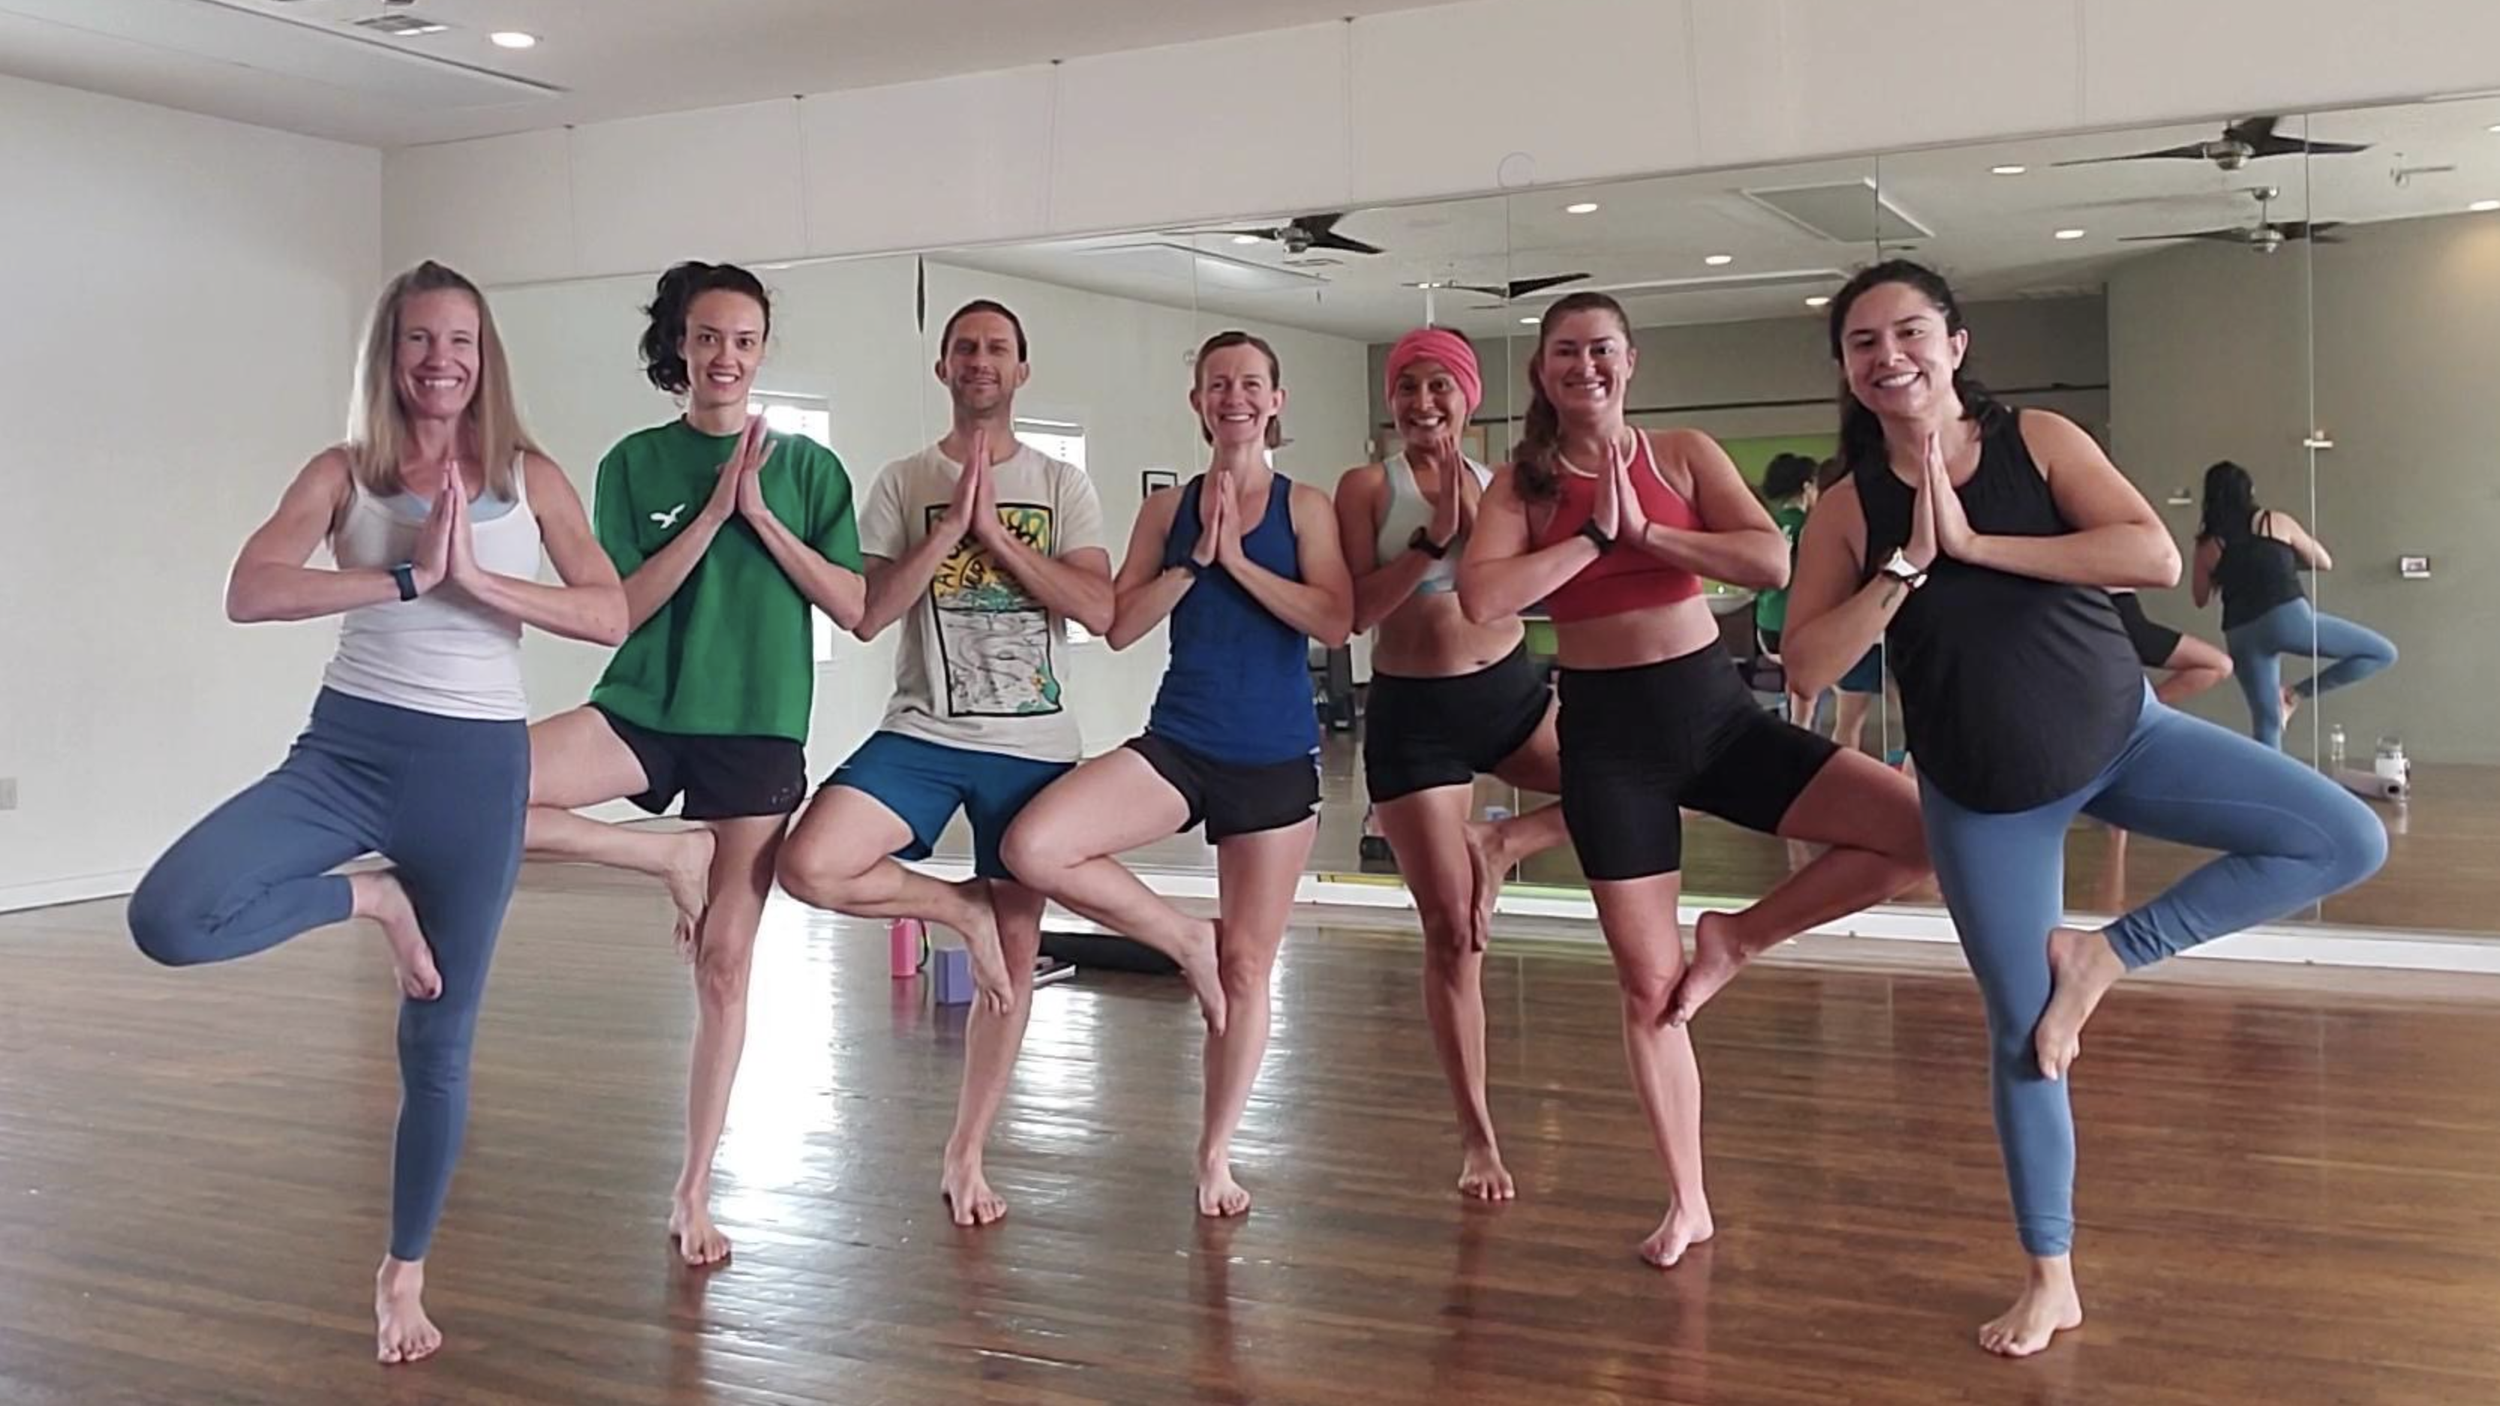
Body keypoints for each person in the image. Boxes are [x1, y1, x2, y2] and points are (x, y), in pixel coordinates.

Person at [1784, 259, 2387, 1357]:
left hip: (2124, 737)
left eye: (1909, 331)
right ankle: (2049, 1273)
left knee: (2342, 834)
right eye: (1862, 342)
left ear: (1955, 344)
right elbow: (1806, 666)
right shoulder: (1844, 509)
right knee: (2023, 1039)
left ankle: (2106, 954)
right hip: (1983, 797)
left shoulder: (2039, 441)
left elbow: (2150, 555)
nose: (1889, 357)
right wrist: (1910, 568)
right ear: (1845, 367)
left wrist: (1975, 544)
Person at [126, 261, 628, 1363]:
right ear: (387, 355)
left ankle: (403, 1272)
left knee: (436, 1045)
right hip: (347, 750)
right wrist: (405, 576)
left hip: (474, 772)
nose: (439, 359)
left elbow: (608, 613)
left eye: (459, 340)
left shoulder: (530, 477)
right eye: (416, 339)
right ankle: (370, 897)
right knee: (170, 915)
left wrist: (481, 585)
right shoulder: (343, 472)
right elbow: (252, 587)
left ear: (483, 355)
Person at [1456, 293, 1929, 1268]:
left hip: (1715, 718)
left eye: (1600, 349)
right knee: (1647, 985)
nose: (1583, 366)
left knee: (1922, 833)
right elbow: (1481, 596)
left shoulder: (1681, 454)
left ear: (1631, 361)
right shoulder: (1525, 481)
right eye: (1563, 353)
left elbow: (1764, 555)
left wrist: (1651, 537)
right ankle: (1687, 1199)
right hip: (1606, 741)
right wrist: (1589, 537)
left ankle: (1740, 936)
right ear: (1542, 373)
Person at [519, 261, 865, 1266]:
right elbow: (618, 606)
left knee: (723, 967)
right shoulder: (633, 462)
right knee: (477, 783)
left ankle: (693, 1190)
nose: (726, 356)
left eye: (745, 340)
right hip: (643, 705)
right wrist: (712, 513)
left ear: (762, 352)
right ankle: (663, 857)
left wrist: (758, 513)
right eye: (708, 337)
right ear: (678, 344)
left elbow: (850, 603)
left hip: (754, 725)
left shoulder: (808, 471)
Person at [1002, 330, 1354, 1218]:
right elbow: (1119, 625)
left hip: (1275, 759)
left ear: (1275, 401)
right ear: (1197, 402)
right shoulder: (1169, 512)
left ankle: (1216, 1155)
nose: (1233, 397)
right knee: (1037, 844)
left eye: (1250, 384)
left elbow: (1336, 621)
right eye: (1217, 385)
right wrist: (1196, 560)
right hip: (1181, 743)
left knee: (1249, 967)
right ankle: (1181, 938)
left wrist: (1240, 562)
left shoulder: (1304, 506)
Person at [776, 300, 1111, 1226]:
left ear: (1021, 370)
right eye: (965, 348)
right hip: (923, 730)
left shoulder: (1062, 484)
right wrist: (948, 529)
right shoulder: (900, 480)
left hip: (1036, 742)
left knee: (1015, 956)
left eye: (998, 348)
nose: (980, 362)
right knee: (810, 863)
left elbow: (1098, 607)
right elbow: (871, 610)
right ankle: (954, 907)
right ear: (943, 368)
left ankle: (967, 1153)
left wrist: (999, 537)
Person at [1333, 326, 1570, 1201]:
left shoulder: (1507, 482)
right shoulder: (1365, 488)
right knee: (1454, 935)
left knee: (1642, 781)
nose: (1423, 404)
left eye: (1440, 387)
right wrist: (1431, 543)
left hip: (1511, 690)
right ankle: (1479, 1139)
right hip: (1416, 715)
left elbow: (1541, 582)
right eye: (1407, 389)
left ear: (1470, 397)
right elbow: (1353, 613)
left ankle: (1503, 845)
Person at [2193, 459, 2396, 749]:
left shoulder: (2207, 545)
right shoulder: (2272, 521)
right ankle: (2295, 695)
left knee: (2267, 723)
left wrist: (2227, 572)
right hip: (2287, 620)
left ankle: (2269, 792)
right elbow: (2322, 561)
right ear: (2249, 490)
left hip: (2241, 633)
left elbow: (2200, 598)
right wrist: (2280, 563)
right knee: (2381, 653)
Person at [1754, 452, 1822, 728]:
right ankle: (1799, 752)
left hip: (1766, 625)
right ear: (1807, 487)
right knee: (1805, 703)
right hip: (1795, 622)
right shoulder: (1811, 526)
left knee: (1792, 690)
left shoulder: (1766, 523)